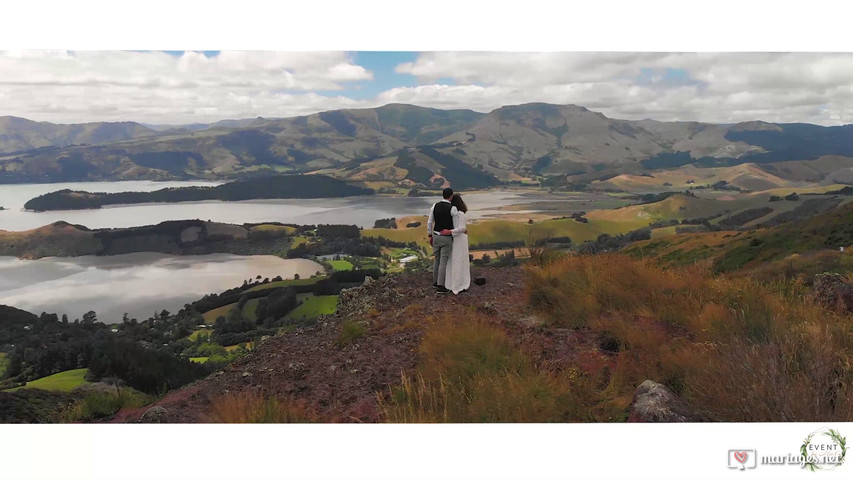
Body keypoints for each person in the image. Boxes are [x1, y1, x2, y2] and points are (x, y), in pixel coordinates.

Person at [427, 187, 458, 294]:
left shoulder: (435, 206)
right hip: (446, 238)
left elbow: (430, 222)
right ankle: (441, 285)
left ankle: (435, 282)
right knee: (443, 261)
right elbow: (456, 225)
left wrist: (430, 235)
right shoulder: (453, 208)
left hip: (435, 236)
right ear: (451, 196)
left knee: (437, 259)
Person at [441, 193, 470, 294]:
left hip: (459, 240)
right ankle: (452, 283)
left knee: (457, 259)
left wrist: (450, 232)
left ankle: (457, 283)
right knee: (453, 259)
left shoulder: (460, 214)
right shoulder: (455, 214)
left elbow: (462, 228)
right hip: (455, 239)